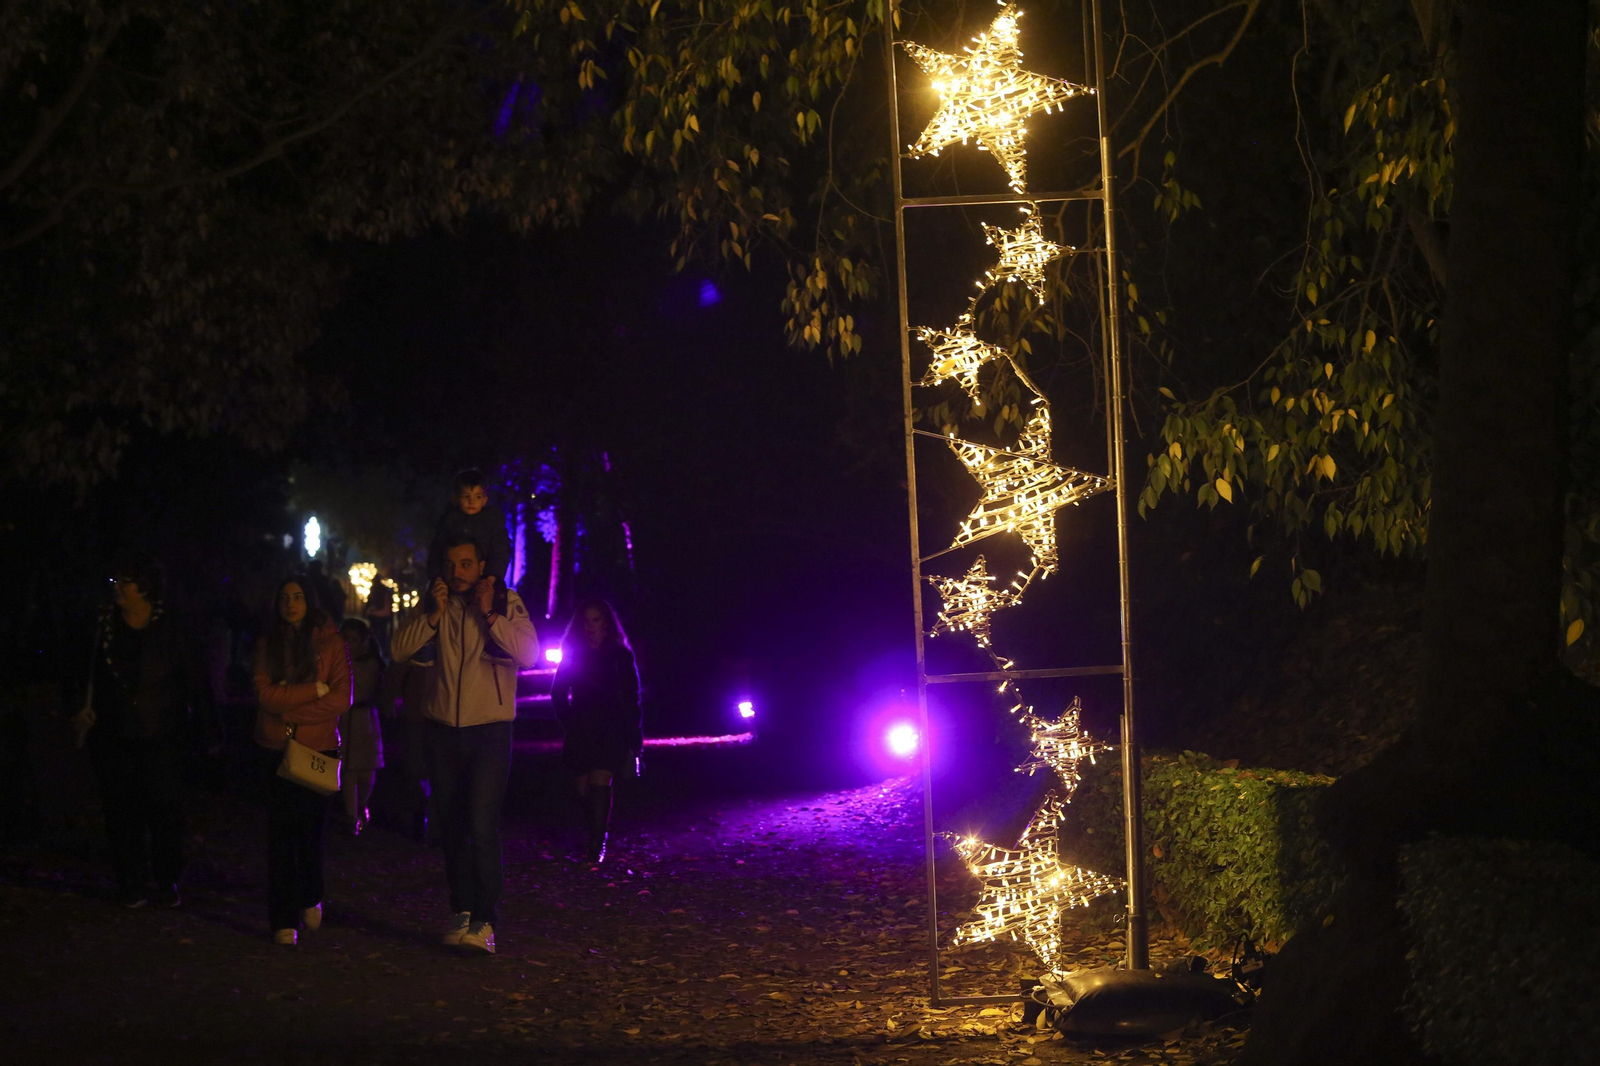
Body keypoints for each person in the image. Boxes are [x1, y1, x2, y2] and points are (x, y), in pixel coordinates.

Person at [391, 534, 537, 954]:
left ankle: (486, 919)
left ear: (482, 565)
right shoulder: (435, 603)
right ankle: (461, 911)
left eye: (467, 564)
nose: (458, 573)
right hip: (443, 730)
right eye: (452, 564)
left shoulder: (506, 601)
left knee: (481, 824)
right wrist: (432, 616)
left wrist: (491, 613)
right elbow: (400, 649)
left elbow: (529, 653)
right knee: (452, 827)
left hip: (490, 730)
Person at [69, 553, 208, 908]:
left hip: (162, 733)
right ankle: (130, 880)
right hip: (114, 734)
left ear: (143, 586)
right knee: (121, 810)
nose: (117, 589)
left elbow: (193, 677)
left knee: (164, 810)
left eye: (125, 582)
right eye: (114, 582)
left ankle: (165, 879)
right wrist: (79, 709)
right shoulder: (104, 624)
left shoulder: (170, 626)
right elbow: (78, 670)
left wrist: (205, 725)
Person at [252, 576, 351, 946]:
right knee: (280, 834)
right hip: (274, 749)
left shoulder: (331, 643)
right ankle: (282, 918)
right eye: (284, 597)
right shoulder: (266, 644)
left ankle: (310, 893)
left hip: (317, 749)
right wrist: (311, 692)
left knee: (309, 832)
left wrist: (292, 711)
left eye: (297, 596)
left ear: (309, 601)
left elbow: (342, 698)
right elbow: (264, 695)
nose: (291, 603)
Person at [549, 599, 642, 864]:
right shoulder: (575, 654)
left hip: (610, 728)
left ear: (605, 622)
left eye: (595, 619)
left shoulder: (620, 656)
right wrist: (568, 720)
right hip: (581, 728)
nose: (590, 626)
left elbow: (632, 698)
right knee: (583, 788)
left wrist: (634, 737)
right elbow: (557, 691)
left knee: (600, 782)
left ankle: (596, 844)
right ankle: (594, 834)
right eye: (585, 620)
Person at [337, 618, 385, 836]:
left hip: (365, 718)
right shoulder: (337, 664)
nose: (349, 644)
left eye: (354, 640)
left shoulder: (373, 664)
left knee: (366, 769)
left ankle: (361, 805)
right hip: (344, 719)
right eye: (345, 639)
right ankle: (350, 815)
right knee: (348, 769)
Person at [427, 470, 512, 592]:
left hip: (484, 582)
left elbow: (500, 552)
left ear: (484, 500)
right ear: (455, 498)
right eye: (466, 496)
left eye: (477, 497)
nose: (472, 502)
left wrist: (491, 578)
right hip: (451, 583)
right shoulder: (448, 521)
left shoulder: (492, 522)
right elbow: (437, 549)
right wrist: (437, 577)